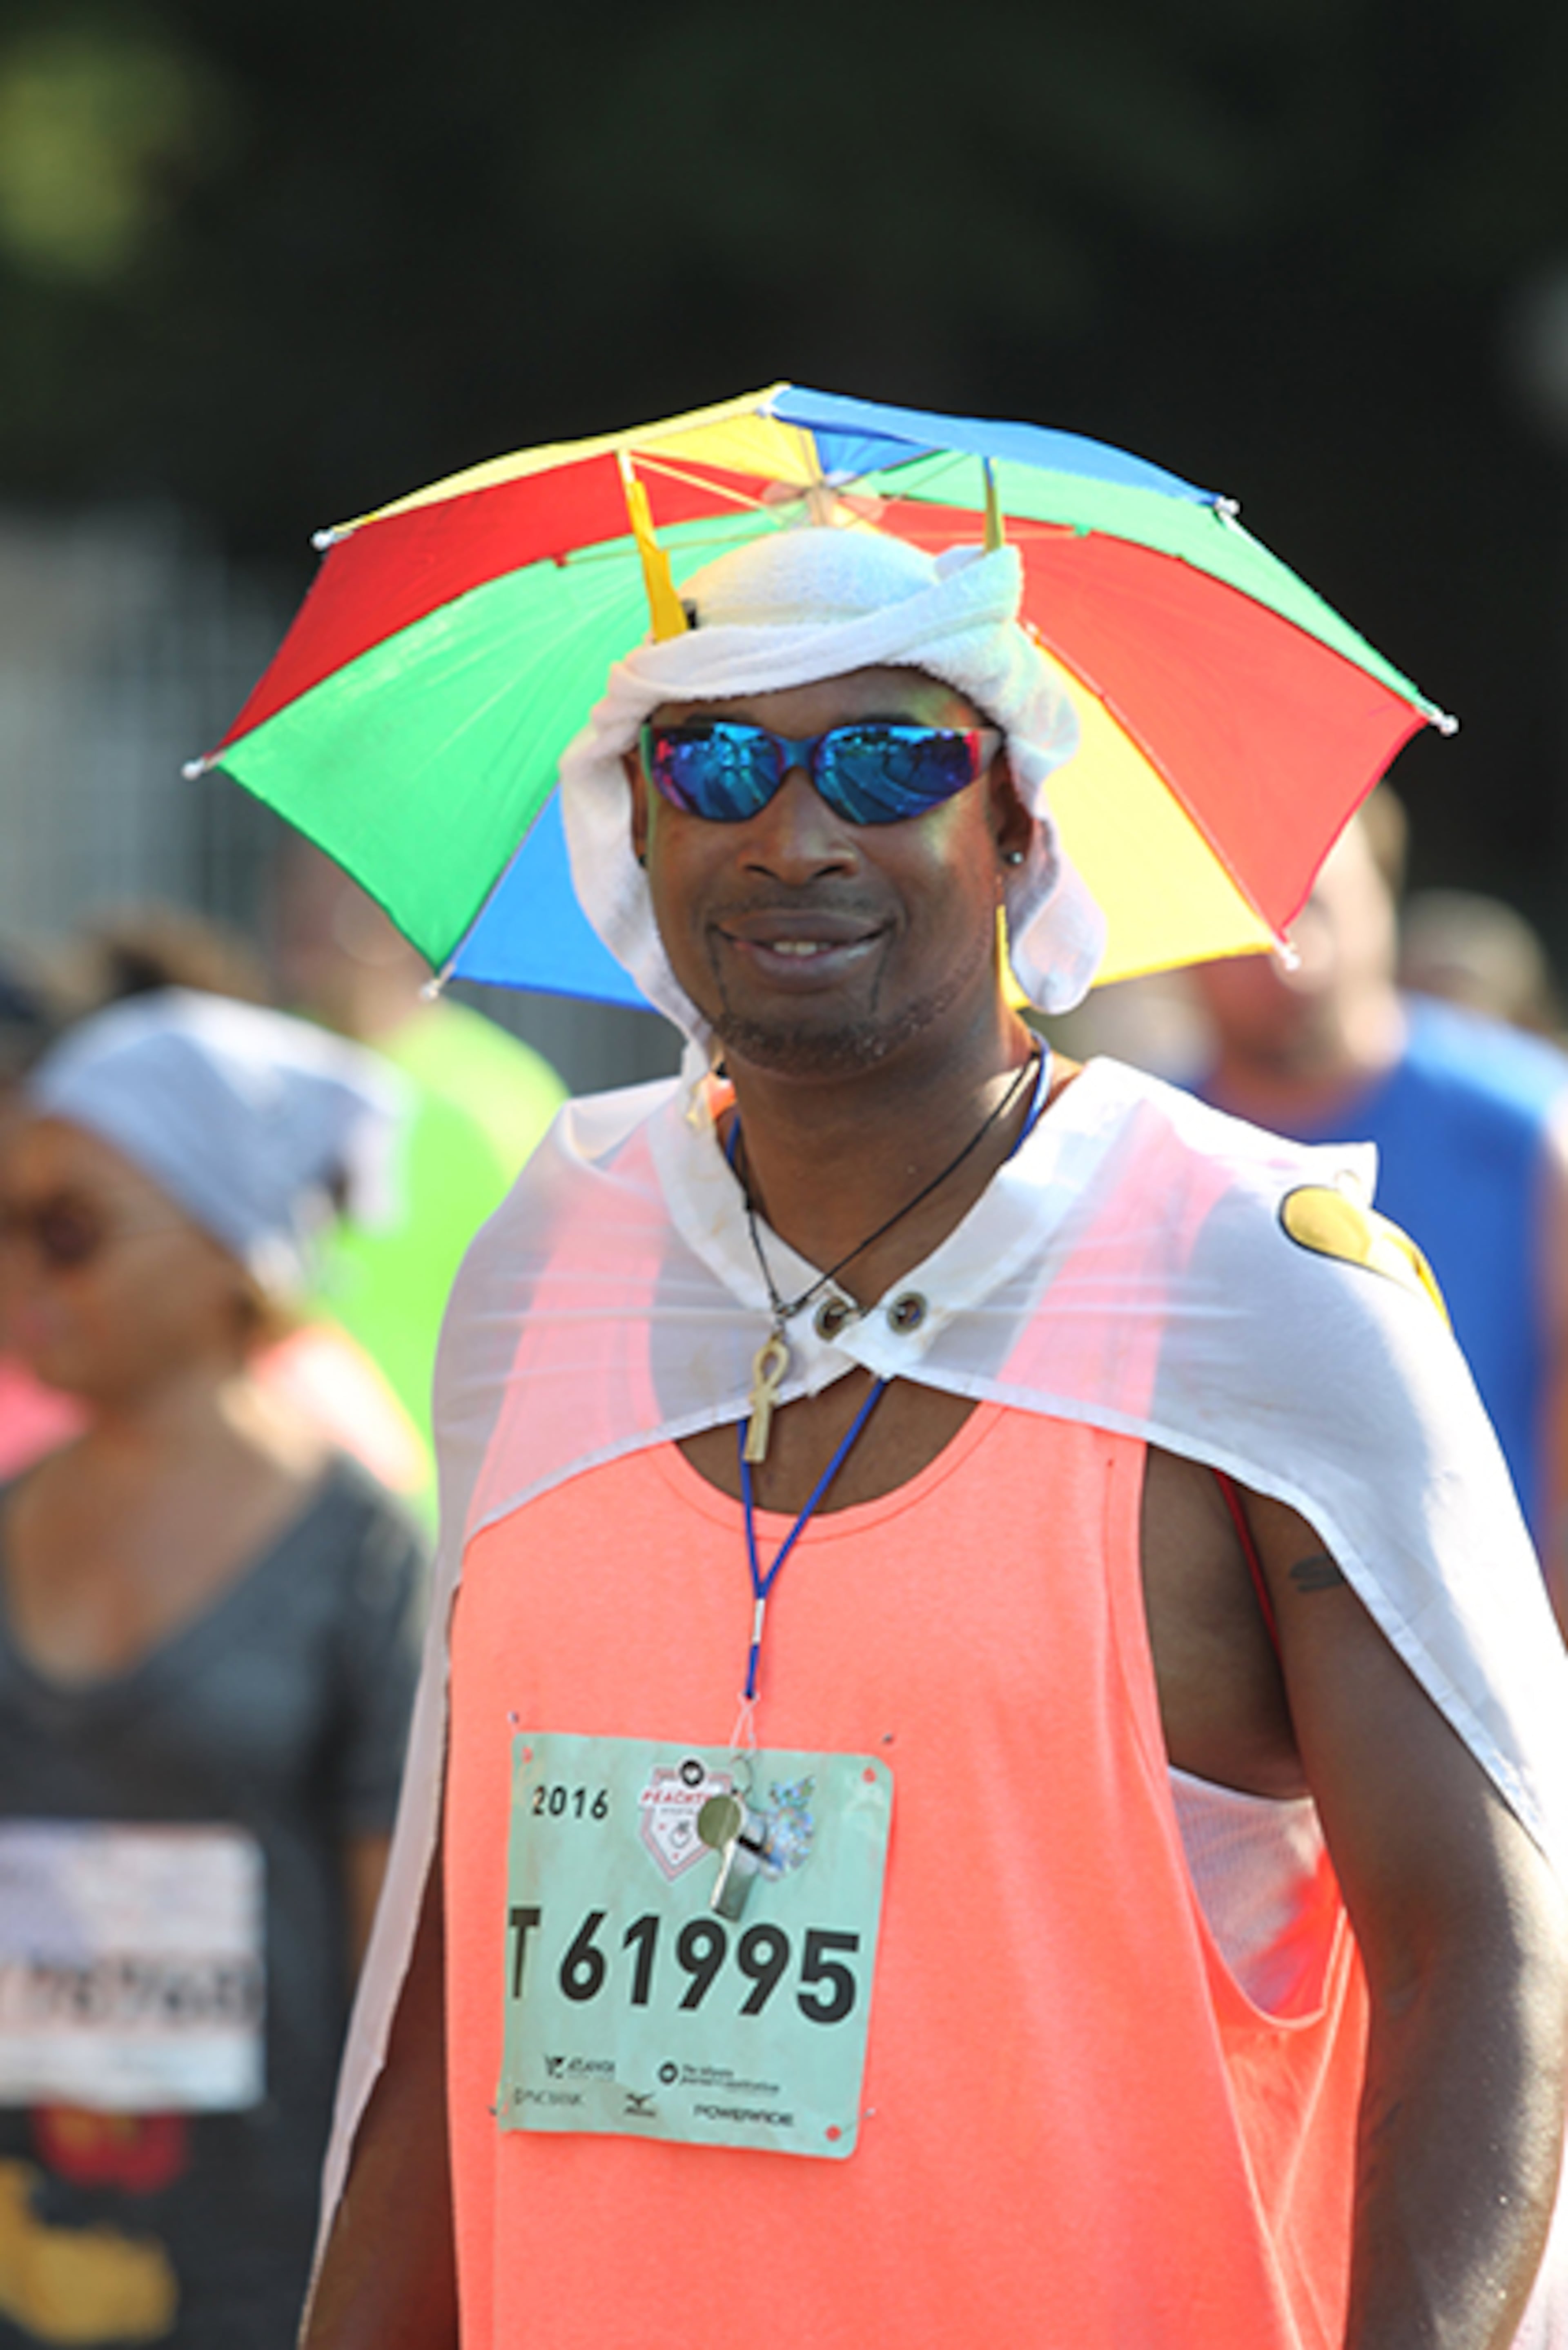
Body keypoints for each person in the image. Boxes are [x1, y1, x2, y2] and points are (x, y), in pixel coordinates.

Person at [304, 525, 1568, 2350]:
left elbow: (1493, 1954)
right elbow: (453, 1981)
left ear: (1023, 836)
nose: (793, 832)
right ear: (638, 835)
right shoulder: (554, 1254)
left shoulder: (1250, 1272)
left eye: (893, 761)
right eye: (716, 763)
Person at [0, 989, 426, 2350]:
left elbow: (402, 1981)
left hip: (267, 2279)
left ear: (222, 1239)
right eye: (4, 1220)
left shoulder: (362, 1554)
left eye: (66, 1228)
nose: (19, 1271)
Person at [1192, 794, 1568, 1620]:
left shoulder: (1533, 1130)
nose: (1287, 954)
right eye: (1249, 918)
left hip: (1497, 1644)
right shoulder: (1134, 1154)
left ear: (1385, 898)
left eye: (1315, 905)